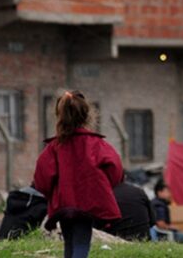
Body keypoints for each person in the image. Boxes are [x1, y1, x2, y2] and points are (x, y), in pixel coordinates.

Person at [34, 90, 123, 258]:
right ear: (86, 115)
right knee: (82, 243)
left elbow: (42, 179)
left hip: (63, 204)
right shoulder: (96, 144)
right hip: (87, 203)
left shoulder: (54, 147)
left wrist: (52, 193)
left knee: (69, 242)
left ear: (59, 116)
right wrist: (102, 186)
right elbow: (115, 169)